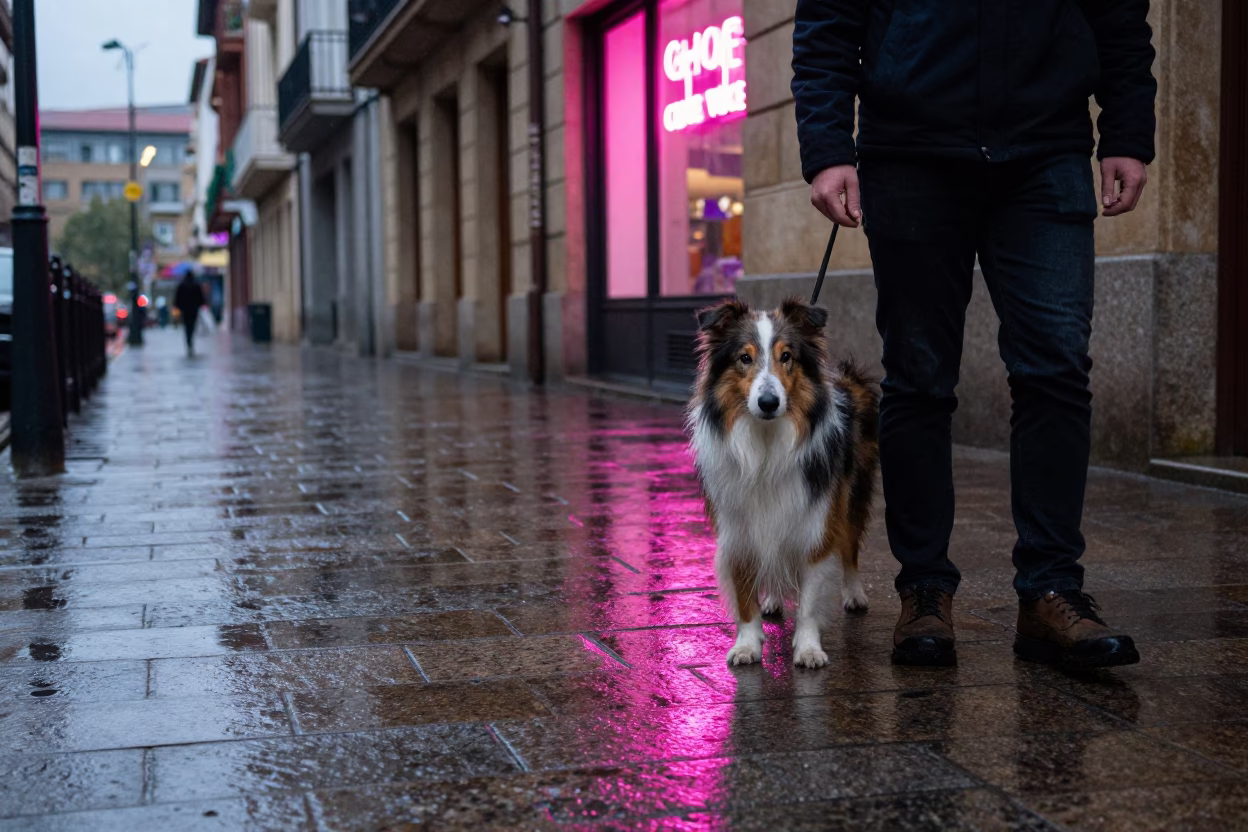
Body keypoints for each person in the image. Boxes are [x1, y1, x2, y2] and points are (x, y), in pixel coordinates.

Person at [792, 1, 1155, 669]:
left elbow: (1121, 17)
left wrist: (1128, 129)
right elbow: (827, 21)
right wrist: (826, 149)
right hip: (910, 153)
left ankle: (1052, 591)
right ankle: (924, 589)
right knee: (919, 378)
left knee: (1056, 370)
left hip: (1046, 147)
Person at [174, 273, 205, 357]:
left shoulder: (182, 286)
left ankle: (189, 341)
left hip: (185, 310)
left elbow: (177, 299)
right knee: (192, 326)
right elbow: (201, 298)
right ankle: (190, 341)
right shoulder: (195, 285)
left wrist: (178, 306)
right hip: (193, 310)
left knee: (187, 326)